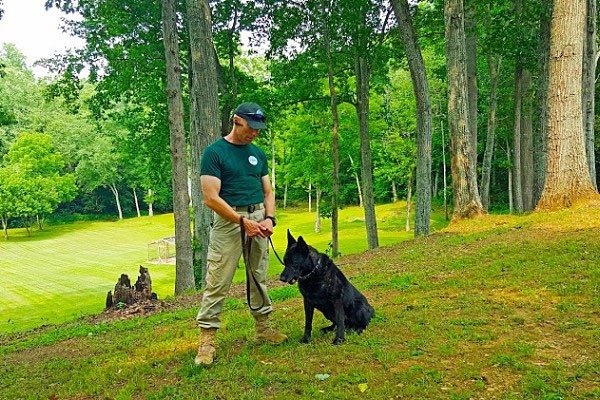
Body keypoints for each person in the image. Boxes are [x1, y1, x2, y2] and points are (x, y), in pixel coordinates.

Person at [194, 102, 287, 366]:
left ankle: (263, 328)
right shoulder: (215, 153)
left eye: (258, 129)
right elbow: (210, 198)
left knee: (258, 276)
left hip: (258, 218)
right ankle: (207, 340)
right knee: (218, 279)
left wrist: (269, 218)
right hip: (229, 222)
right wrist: (240, 221)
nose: (254, 133)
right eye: (250, 127)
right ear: (237, 121)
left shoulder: (257, 153)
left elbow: (268, 191)